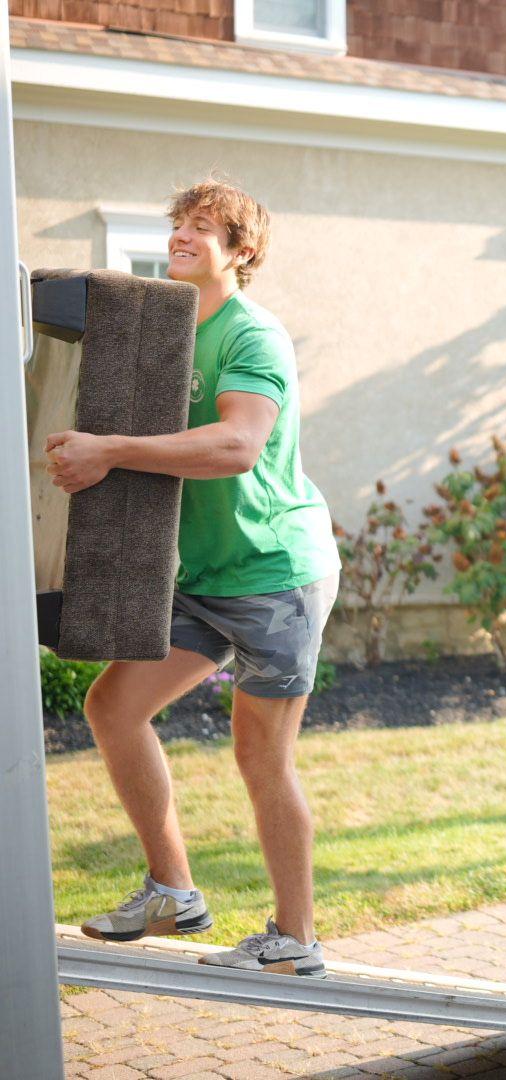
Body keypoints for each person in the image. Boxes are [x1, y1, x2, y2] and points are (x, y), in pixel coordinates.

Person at [46, 177, 339, 978]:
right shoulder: (170, 330)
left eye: (202, 227)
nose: (181, 236)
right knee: (113, 704)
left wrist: (108, 449)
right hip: (206, 573)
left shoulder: (252, 336)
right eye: (178, 223)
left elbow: (237, 445)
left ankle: (295, 938)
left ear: (242, 252)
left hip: (277, 573)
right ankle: (173, 890)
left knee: (259, 757)